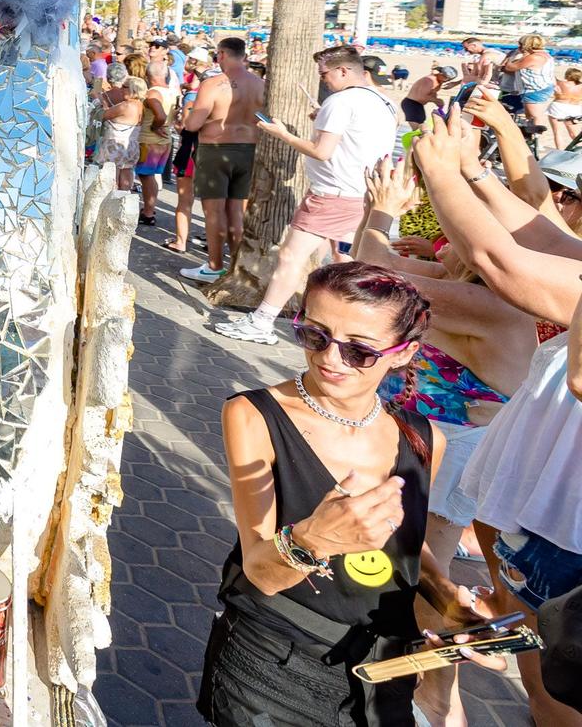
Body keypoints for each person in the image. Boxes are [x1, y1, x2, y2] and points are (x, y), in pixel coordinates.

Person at [203, 261, 494, 727]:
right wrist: (314, 539)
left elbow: (405, 547)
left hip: (382, 668)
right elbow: (260, 572)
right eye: (315, 335)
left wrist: (449, 603)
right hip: (276, 656)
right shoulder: (254, 414)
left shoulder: (423, 439)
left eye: (359, 350)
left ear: (402, 353)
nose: (330, 358)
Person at [411, 112, 582, 725]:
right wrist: (473, 173)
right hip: (540, 508)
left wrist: (437, 176)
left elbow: (503, 261)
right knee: (541, 672)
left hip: (564, 526)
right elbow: (548, 238)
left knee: (555, 694)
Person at [357, 156, 540, 727]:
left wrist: (384, 208)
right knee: (415, 568)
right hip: (436, 446)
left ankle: (439, 698)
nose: (442, 240)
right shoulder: (465, 288)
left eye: (454, 229)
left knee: (423, 576)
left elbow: (369, 277)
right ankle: (431, 689)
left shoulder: (494, 305)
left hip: (451, 456)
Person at [216, 45, 400, 345]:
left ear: (344, 71)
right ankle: (347, 328)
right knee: (345, 261)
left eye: (325, 74)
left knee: (291, 256)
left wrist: (283, 134)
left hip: (332, 194)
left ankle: (262, 322)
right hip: (364, 193)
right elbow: (359, 141)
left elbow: (321, 151)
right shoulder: (384, 102)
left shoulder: (341, 102)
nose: (323, 80)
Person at [181, 37, 266, 286]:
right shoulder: (260, 84)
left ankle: (215, 266)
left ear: (221, 55)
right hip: (249, 150)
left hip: (216, 149)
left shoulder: (213, 84)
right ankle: (237, 268)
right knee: (237, 212)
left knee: (214, 212)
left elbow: (193, 124)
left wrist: (188, 116)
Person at [135, 57, 179, 226]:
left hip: (150, 139)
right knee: (150, 176)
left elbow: (160, 115)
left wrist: (155, 126)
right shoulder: (172, 91)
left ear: (147, 74)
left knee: (146, 176)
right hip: (165, 138)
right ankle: (149, 209)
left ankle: (148, 211)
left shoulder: (153, 93)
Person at [92, 63, 143, 190]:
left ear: (132, 90)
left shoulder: (126, 105)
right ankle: (124, 199)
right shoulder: (140, 105)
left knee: (111, 175)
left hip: (115, 144)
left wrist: (98, 98)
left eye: (124, 87)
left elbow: (103, 114)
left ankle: (110, 200)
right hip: (132, 144)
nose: (121, 89)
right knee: (126, 172)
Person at [503, 34, 559, 142]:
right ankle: (532, 139)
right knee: (531, 116)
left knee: (534, 116)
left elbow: (510, 67)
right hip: (542, 87)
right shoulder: (545, 55)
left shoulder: (534, 57)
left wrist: (512, 56)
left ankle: (535, 141)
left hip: (535, 89)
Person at [402, 63, 458, 128]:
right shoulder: (430, 80)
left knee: (421, 128)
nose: (447, 80)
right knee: (418, 130)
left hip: (417, 105)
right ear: (441, 73)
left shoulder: (438, 81)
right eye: (446, 78)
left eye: (449, 79)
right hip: (411, 104)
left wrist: (437, 101)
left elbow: (430, 93)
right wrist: (437, 100)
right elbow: (421, 97)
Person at [549, 67, 582, 152]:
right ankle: (579, 151)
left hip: (558, 107)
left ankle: (559, 151)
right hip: (574, 108)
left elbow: (551, 77)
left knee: (557, 132)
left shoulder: (561, 83)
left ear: (567, 75)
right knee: (574, 133)